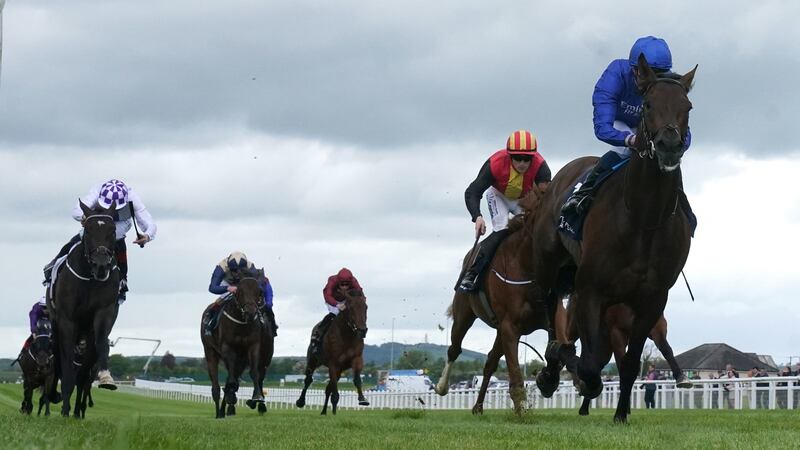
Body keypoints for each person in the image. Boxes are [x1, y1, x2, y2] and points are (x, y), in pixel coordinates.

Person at [561, 36, 692, 218]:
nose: (652, 79)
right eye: (647, 72)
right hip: (619, 122)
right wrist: (630, 139)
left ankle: (683, 207)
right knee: (623, 151)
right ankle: (583, 193)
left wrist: (676, 148)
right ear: (634, 69)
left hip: (650, 126)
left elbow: (682, 130)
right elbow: (602, 127)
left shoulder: (668, 87)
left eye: (659, 73)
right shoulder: (615, 75)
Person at [458, 130, 551, 292]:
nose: (522, 163)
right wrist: (477, 217)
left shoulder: (541, 167)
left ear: (533, 157)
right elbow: (472, 192)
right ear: (509, 156)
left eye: (527, 159)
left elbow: (546, 198)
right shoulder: (495, 164)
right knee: (501, 228)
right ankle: (472, 274)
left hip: (524, 199)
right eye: (517, 158)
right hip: (498, 196)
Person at [42, 179, 157, 304]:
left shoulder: (133, 198)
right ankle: (56, 263)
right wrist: (84, 217)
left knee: (116, 235)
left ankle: (122, 279)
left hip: (120, 223)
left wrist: (147, 236)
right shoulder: (96, 191)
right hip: (97, 219)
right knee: (84, 234)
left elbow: (150, 223)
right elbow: (76, 210)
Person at [203, 251, 277, 337]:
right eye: (234, 270)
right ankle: (210, 321)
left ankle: (272, 326)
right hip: (228, 282)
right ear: (229, 267)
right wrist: (227, 288)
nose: (237, 272)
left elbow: (260, 286)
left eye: (241, 269)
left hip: (244, 282)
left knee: (267, 304)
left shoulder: (250, 267)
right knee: (224, 298)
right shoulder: (221, 267)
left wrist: (267, 302)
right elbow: (212, 288)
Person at [308, 268, 363, 355]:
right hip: (332, 299)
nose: (344, 287)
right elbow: (328, 296)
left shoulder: (354, 281)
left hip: (346, 300)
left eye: (347, 285)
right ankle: (317, 335)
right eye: (342, 284)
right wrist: (337, 304)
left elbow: (360, 293)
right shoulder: (332, 280)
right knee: (334, 314)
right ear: (338, 282)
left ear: (350, 282)